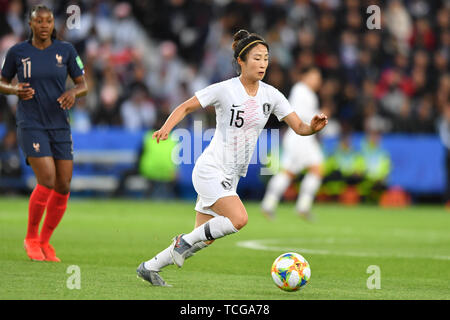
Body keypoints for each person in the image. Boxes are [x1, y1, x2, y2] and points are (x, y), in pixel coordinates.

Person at [136, 30, 328, 286]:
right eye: (257, 58)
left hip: (231, 176)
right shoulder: (225, 89)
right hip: (211, 169)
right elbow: (186, 106)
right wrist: (166, 127)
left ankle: (150, 267)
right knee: (239, 219)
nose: (263, 64)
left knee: (203, 238)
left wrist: (313, 127)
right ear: (241, 60)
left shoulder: (272, 95)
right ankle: (181, 242)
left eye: (266, 59)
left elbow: (300, 127)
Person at [0, 5, 87, 262]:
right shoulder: (18, 52)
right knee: (47, 178)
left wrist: (73, 93)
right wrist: (14, 90)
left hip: (59, 122)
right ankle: (30, 238)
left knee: (63, 184)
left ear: (52, 24)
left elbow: (83, 84)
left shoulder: (66, 50)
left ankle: (45, 242)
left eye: (48, 21)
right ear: (31, 24)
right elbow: (2, 81)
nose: (44, 25)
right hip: (31, 122)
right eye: (39, 21)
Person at [261, 67, 324, 220]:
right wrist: (320, 115)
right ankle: (303, 205)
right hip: (301, 136)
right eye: (315, 77)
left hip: (297, 137)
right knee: (316, 169)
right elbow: (301, 115)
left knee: (288, 172)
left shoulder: (305, 92)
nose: (318, 81)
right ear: (306, 76)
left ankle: (268, 203)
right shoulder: (302, 90)